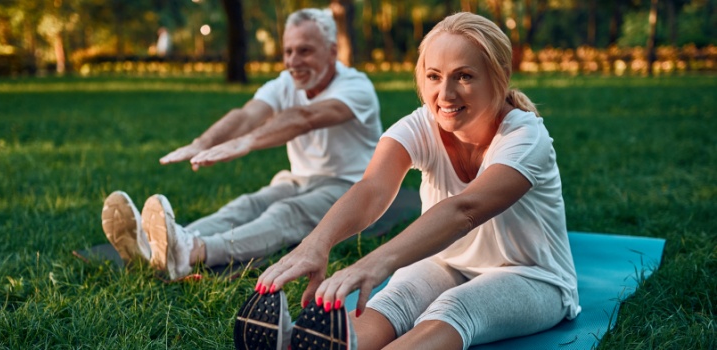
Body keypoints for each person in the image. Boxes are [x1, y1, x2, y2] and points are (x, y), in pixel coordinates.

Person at [245, 12, 580, 350]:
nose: (445, 94)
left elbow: (464, 210)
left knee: (454, 309)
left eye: (463, 76)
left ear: (500, 76)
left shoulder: (525, 137)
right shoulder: (421, 125)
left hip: (532, 277)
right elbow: (372, 189)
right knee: (394, 299)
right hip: (445, 262)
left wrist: (375, 262)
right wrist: (317, 243)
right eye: (434, 76)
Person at [101, 8, 382, 281]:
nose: (293, 61)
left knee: (286, 213)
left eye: (305, 51)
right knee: (245, 205)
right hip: (299, 179)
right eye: (288, 51)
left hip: (352, 185)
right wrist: (201, 143)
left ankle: (194, 252)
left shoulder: (357, 88)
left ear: (332, 51)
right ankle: (158, 244)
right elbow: (247, 115)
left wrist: (247, 142)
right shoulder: (286, 82)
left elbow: (305, 117)